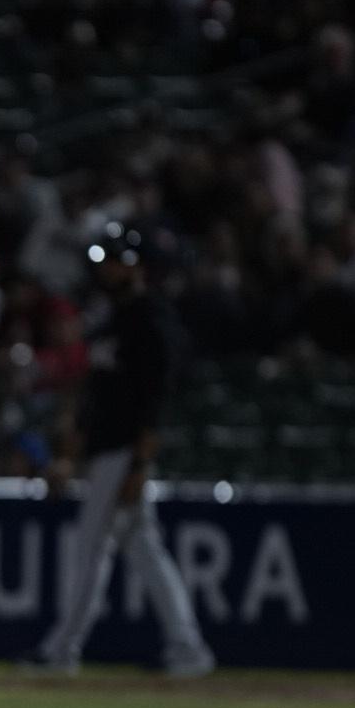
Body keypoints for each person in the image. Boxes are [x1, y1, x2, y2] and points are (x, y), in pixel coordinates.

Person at [19, 225, 216, 678]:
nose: (105, 267)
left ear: (135, 265)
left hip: (126, 451)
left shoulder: (150, 316)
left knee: (90, 548)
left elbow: (157, 398)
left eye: (113, 259)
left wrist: (141, 464)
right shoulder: (114, 316)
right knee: (145, 551)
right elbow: (98, 392)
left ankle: (61, 651)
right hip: (108, 449)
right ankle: (188, 649)